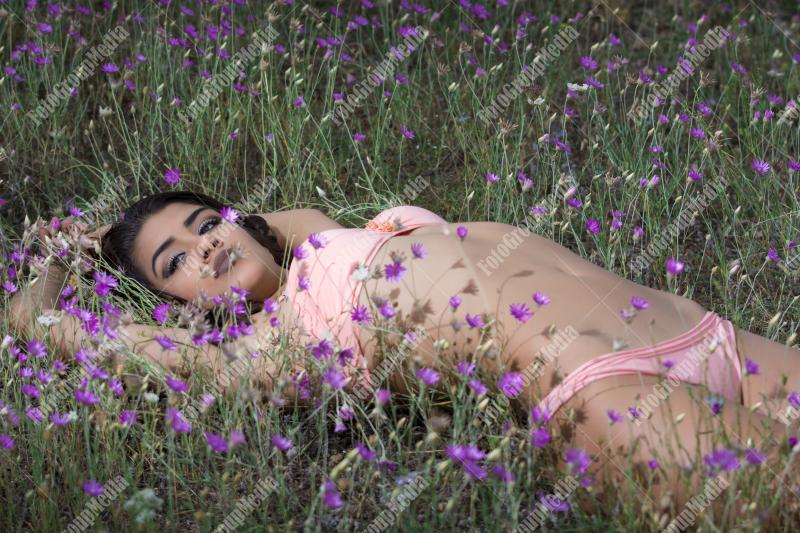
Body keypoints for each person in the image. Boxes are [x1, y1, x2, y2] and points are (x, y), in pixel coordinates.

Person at [6, 190, 798, 505]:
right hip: (591, 382)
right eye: (172, 262)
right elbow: (42, 324)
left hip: (689, 325)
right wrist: (63, 265)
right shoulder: (260, 352)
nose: (203, 248)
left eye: (205, 224)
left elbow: (278, 220)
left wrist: (123, 231)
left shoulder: (319, 237)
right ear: (166, 304)